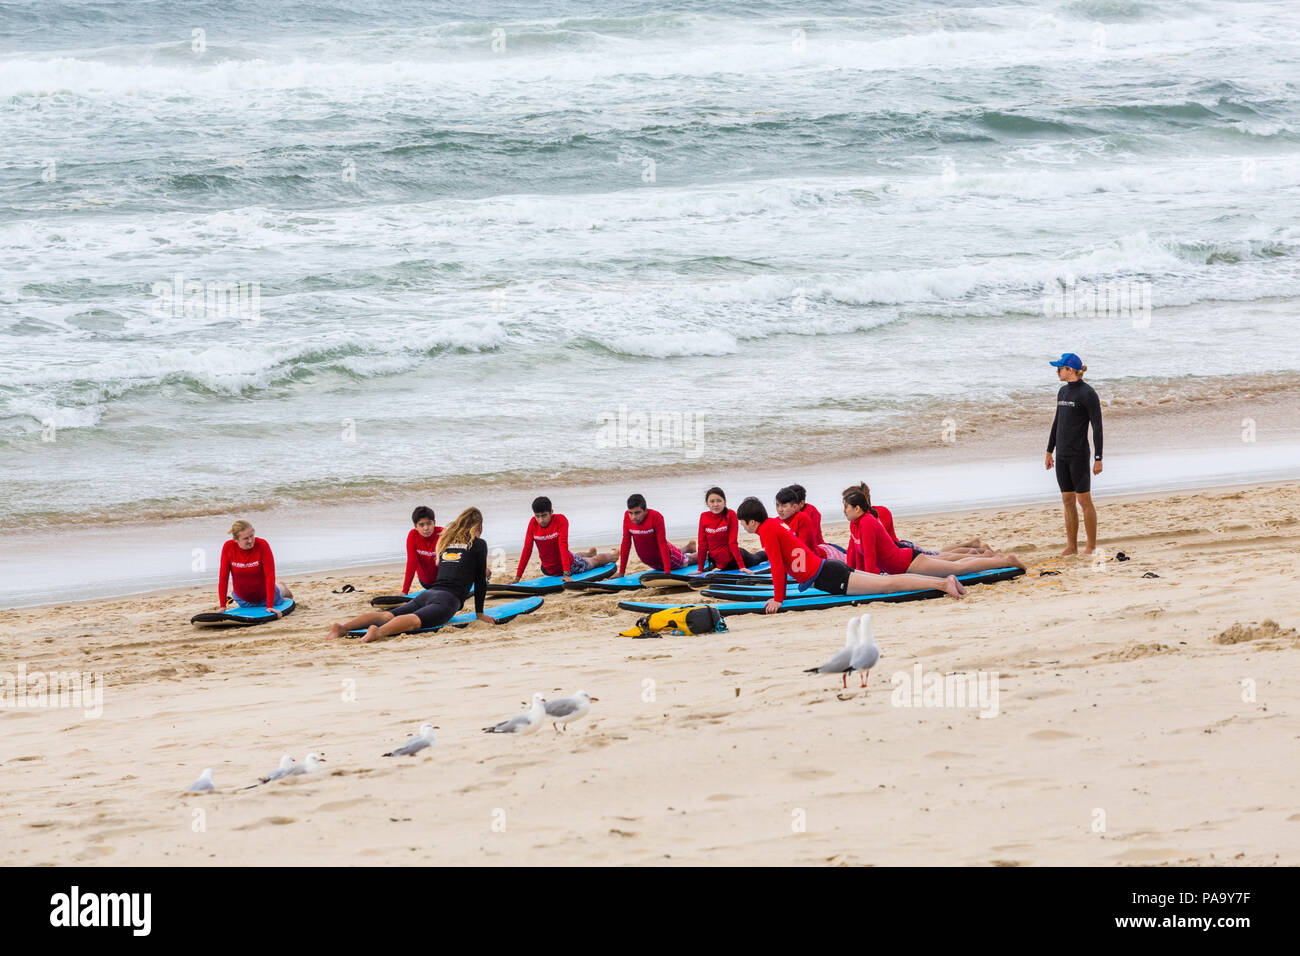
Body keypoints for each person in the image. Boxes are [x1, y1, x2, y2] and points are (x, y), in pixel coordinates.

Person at [735, 497, 965, 613]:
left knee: (889, 585)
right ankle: (943, 581)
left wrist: (778, 599)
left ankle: (944, 583)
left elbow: (776, 566)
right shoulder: (774, 525)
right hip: (829, 569)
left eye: (743, 524)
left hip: (830, 576)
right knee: (887, 582)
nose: (744, 528)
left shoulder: (766, 532)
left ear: (752, 521)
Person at [326, 508, 493, 642]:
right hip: (449, 599)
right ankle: (378, 633)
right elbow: (480, 582)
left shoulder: (446, 542)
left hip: (429, 593)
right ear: (479, 527)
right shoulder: (479, 544)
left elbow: (456, 565)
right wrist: (479, 613)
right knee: (414, 620)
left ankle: (342, 628)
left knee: (387, 615)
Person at [842, 490, 1023, 577]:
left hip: (908, 562)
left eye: (846, 506)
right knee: (950, 564)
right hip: (901, 564)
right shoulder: (855, 524)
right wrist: (852, 574)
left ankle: (1005, 561)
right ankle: (990, 557)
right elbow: (857, 554)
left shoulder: (866, 522)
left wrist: (869, 581)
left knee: (956, 569)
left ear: (857, 508)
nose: (844, 510)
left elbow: (871, 557)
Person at [1044, 352, 1103, 555]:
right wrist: (1049, 450)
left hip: (1079, 454)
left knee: (1084, 500)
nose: (1057, 371)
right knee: (1067, 500)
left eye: (1059, 368)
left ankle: (1091, 546)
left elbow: (1097, 427)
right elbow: (1056, 423)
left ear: (1070, 370)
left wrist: (1098, 458)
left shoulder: (1088, 394)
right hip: (1061, 455)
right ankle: (1072, 546)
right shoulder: (1062, 392)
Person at [842, 482, 991, 557]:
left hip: (903, 549)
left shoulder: (878, 515)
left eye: (847, 503)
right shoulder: (859, 520)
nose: (845, 508)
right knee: (936, 553)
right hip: (899, 549)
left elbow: (875, 543)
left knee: (938, 556)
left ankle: (974, 550)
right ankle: (970, 544)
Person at [513, 496, 616, 583]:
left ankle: (613, 556)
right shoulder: (533, 523)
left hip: (570, 566)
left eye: (544, 516)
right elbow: (527, 549)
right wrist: (517, 577)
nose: (541, 520)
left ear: (551, 512)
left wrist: (567, 573)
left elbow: (563, 546)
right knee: (573, 555)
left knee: (594, 561)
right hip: (548, 569)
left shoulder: (560, 520)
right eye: (537, 516)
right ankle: (589, 553)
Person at [218, 520, 293, 618]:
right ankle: (278, 587)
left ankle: (281, 587)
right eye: (245, 538)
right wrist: (222, 606)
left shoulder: (262, 545)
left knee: (283, 593)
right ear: (236, 539)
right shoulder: (228, 547)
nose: (250, 540)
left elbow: (270, 576)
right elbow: (223, 578)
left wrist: (270, 605)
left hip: (267, 597)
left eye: (251, 536)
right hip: (243, 600)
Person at [617, 494, 697, 575]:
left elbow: (662, 544)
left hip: (668, 558)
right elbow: (626, 544)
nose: (633, 517)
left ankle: (707, 553)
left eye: (637, 513)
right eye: (631, 513)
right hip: (652, 561)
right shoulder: (627, 517)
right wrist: (621, 572)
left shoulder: (656, 517)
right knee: (673, 551)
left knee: (688, 560)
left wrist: (667, 572)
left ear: (645, 511)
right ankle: (689, 547)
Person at [697, 486, 765, 574]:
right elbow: (702, 545)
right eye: (712, 501)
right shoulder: (704, 517)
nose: (715, 504)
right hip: (718, 562)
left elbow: (732, 543)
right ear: (707, 503)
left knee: (758, 558)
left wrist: (741, 567)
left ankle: (765, 551)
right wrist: (700, 569)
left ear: (724, 502)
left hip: (734, 559)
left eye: (719, 501)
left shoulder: (730, 515)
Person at [400, 506, 442, 594]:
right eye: (421, 525)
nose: (426, 528)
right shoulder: (413, 536)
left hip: (443, 583)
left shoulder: (442, 534)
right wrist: (405, 591)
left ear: (434, 523)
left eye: (429, 523)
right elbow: (412, 563)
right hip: (426, 583)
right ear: (415, 526)